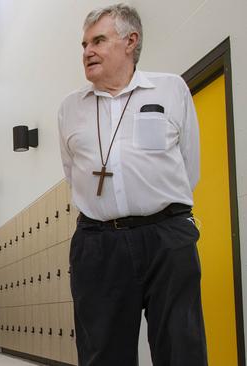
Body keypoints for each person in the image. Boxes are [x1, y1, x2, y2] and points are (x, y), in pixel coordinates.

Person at [58, 4, 207, 366]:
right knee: (102, 353)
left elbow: (189, 165)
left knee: (181, 348)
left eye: (98, 41)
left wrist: (159, 211)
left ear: (130, 41)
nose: (87, 52)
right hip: (98, 242)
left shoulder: (170, 89)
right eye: (83, 45)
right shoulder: (70, 108)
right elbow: (71, 170)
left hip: (167, 236)